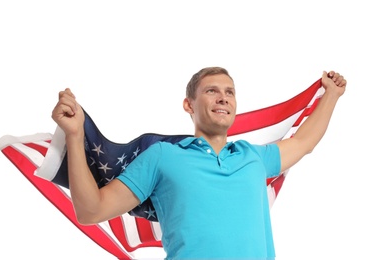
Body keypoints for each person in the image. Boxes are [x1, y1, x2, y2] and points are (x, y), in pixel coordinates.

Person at [51, 67, 347, 259]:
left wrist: (331, 95)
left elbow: (304, 142)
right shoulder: (163, 156)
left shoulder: (253, 157)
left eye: (229, 92)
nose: (223, 98)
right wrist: (75, 137)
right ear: (188, 105)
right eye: (211, 91)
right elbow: (92, 211)